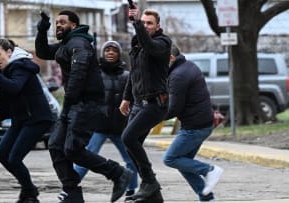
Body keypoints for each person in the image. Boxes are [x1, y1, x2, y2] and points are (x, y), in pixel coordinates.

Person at [35, 10, 133, 203]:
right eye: (56, 23)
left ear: (74, 25)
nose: (58, 25)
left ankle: (118, 173)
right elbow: (43, 52)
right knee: (55, 146)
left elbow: (79, 75)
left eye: (62, 22)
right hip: (74, 105)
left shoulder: (80, 43)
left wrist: (68, 102)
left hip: (87, 104)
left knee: (72, 149)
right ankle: (72, 192)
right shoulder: (67, 44)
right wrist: (42, 29)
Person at [0, 39, 57, 203]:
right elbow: (0, 83)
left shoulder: (21, 66)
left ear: (9, 52)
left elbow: (14, 87)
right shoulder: (7, 68)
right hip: (21, 119)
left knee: (14, 159)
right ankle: (29, 190)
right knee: (1, 153)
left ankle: (30, 193)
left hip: (36, 118)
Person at [73, 40, 138, 198]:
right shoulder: (95, 75)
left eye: (114, 50)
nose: (110, 52)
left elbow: (133, 99)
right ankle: (71, 184)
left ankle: (131, 190)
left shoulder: (127, 76)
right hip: (98, 126)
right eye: (107, 50)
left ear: (118, 54)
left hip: (120, 127)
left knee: (131, 159)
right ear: (102, 53)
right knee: (86, 157)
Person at [120, 8, 172, 202]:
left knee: (128, 138)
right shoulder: (137, 44)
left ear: (158, 26)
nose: (146, 25)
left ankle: (150, 181)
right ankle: (154, 195)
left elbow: (150, 46)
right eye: (144, 22)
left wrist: (136, 23)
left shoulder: (162, 42)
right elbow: (134, 75)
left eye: (150, 23)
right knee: (131, 146)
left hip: (155, 104)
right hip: (138, 104)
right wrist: (126, 98)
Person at [162, 45, 224, 202]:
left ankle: (209, 170)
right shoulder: (188, 65)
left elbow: (174, 108)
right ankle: (207, 198)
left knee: (170, 159)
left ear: (170, 58)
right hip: (202, 122)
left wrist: (152, 117)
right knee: (183, 163)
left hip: (195, 127)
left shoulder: (178, 75)